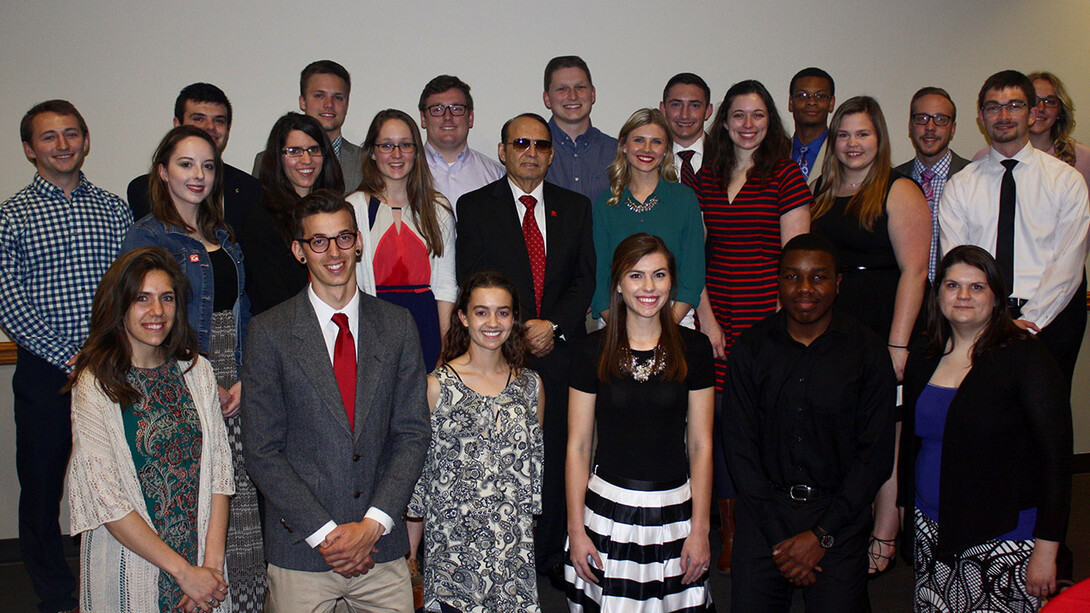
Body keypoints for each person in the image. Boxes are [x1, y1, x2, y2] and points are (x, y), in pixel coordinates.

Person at [241, 190, 429, 612]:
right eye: (318, 241)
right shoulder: (269, 332)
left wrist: (372, 526)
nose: (333, 252)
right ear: (298, 250)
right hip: (302, 552)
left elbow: (412, 434)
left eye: (343, 238)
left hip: (380, 547)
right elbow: (262, 450)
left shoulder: (397, 325)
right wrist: (326, 534)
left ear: (359, 242)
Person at [120, 125, 265, 610]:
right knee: (195, 490)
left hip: (234, 375)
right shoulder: (146, 233)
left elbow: (241, 308)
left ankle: (237, 599)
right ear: (163, 172)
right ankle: (190, 590)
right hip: (181, 373)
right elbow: (140, 316)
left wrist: (244, 375)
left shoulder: (222, 232)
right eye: (185, 164)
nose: (198, 175)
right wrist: (198, 378)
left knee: (238, 499)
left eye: (207, 165)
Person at [0, 99, 132, 613]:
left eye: (72, 133)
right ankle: (55, 595)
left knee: (110, 480)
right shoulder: (12, 217)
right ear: (30, 149)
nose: (63, 144)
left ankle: (105, 582)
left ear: (86, 140)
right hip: (45, 373)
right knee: (42, 485)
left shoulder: (113, 208)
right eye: (50, 137)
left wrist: (107, 355)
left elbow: (130, 288)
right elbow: (10, 301)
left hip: (112, 369)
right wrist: (69, 357)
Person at [455, 112, 594, 586]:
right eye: (520, 142)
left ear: (551, 154)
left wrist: (552, 325)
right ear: (503, 151)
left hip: (557, 355)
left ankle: (552, 555)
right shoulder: (474, 207)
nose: (531, 152)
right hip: (499, 354)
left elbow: (585, 280)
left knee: (556, 455)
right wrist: (515, 330)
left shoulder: (575, 207)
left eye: (540, 144)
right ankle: (499, 550)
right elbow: (472, 280)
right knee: (498, 458)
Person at [724, 233, 897, 612]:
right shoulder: (751, 349)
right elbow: (738, 447)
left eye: (818, 277)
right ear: (779, 282)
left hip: (839, 516)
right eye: (792, 277)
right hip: (763, 514)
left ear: (838, 283)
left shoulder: (868, 352)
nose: (804, 288)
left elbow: (876, 454)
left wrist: (820, 536)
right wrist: (780, 539)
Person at [899, 245, 1072, 612]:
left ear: (996, 298)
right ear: (938, 295)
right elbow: (911, 446)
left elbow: (1055, 461)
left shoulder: (1025, 357)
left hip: (1004, 538)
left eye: (976, 287)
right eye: (952, 285)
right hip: (932, 529)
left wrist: (1047, 548)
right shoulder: (924, 356)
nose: (963, 296)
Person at [67, 247, 234, 613]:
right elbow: (106, 499)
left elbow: (221, 472)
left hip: (205, 571)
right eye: (142, 298)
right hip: (135, 565)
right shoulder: (95, 385)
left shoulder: (197, 371)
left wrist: (210, 568)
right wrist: (182, 571)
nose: (157, 311)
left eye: (167, 298)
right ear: (119, 305)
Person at [692, 80, 812, 572]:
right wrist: (707, 318)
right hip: (717, 318)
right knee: (719, 427)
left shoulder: (785, 176)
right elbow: (692, 257)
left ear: (771, 121)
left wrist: (781, 328)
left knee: (768, 427)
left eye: (757, 115)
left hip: (768, 320)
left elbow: (797, 263)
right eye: (738, 115)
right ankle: (731, 533)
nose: (747, 125)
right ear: (723, 120)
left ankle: (773, 527)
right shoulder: (705, 178)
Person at [811, 95, 930, 577]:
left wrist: (898, 344)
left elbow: (916, 270)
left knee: (886, 432)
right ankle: (845, 523)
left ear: (879, 139)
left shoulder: (898, 189)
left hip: (884, 325)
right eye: (843, 134)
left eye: (862, 134)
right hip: (835, 327)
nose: (852, 143)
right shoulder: (821, 189)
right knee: (844, 430)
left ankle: (885, 527)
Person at [566, 233, 715, 611]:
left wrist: (701, 529)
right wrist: (575, 529)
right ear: (617, 283)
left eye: (659, 275)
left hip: (676, 514)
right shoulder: (589, 350)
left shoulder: (694, 349)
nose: (648, 287)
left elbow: (701, 446)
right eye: (636, 275)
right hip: (606, 515)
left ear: (672, 282)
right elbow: (578, 446)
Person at [940, 70, 1090, 386]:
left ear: (1032, 112)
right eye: (994, 107)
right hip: (980, 324)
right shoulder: (961, 185)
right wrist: (992, 322)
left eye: (1015, 105)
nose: (1004, 115)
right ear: (981, 117)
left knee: (1046, 423)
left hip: (1051, 321)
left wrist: (1030, 321)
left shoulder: (1065, 181)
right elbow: (958, 263)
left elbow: (1069, 262)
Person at [408, 270, 545, 613]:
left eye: (503, 312)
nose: (492, 321)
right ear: (463, 317)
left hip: (512, 557)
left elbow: (533, 477)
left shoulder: (531, 387)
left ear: (514, 319)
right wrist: (410, 557)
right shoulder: (435, 387)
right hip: (454, 558)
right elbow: (420, 481)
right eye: (481, 311)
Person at [346, 109, 456, 369]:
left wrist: (445, 345)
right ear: (372, 152)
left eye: (405, 145)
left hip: (425, 325)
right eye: (387, 146)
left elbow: (445, 285)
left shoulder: (438, 208)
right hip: (371, 324)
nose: (396, 155)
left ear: (416, 152)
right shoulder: (354, 208)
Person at [591, 108, 704, 328]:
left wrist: (665, 328)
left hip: (674, 317)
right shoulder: (606, 204)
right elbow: (599, 276)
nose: (647, 149)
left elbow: (693, 273)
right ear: (624, 145)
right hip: (617, 318)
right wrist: (622, 329)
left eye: (656, 142)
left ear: (666, 150)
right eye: (639, 140)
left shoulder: (684, 199)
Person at [238, 112, 348, 316]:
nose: (306, 160)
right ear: (278, 158)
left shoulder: (338, 210)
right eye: (294, 151)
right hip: (286, 329)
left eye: (314, 149)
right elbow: (272, 297)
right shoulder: (261, 217)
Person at [128, 82, 261, 231]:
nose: (210, 127)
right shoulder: (142, 191)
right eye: (199, 119)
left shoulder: (252, 190)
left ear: (228, 129)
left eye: (219, 121)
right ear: (177, 124)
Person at [893, 87, 971, 282]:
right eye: (922, 118)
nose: (930, 127)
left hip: (956, 297)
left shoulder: (973, 178)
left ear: (953, 129)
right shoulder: (891, 181)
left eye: (941, 119)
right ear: (910, 126)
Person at [253, 60, 363, 193]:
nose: (329, 104)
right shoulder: (268, 160)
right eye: (319, 96)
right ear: (303, 102)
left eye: (338, 97)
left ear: (347, 104)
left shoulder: (366, 161)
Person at [971, 71, 1090, 188]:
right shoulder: (983, 157)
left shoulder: (1083, 158)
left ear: (1060, 111)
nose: (1040, 108)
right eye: (1034, 101)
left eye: (1050, 102)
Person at [418, 75, 505, 216]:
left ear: (470, 118)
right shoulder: (404, 174)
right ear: (423, 119)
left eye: (457, 109)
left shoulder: (496, 176)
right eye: (437, 109)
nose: (447, 117)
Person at [542, 55, 618, 201]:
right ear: (547, 99)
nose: (572, 96)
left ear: (593, 94)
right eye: (562, 89)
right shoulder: (532, 153)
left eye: (580, 87)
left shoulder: (616, 153)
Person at [660, 73, 714, 189]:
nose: (684, 115)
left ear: (708, 111)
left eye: (694, 106)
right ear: (663, 109)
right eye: (676, 105)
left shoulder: (726, 156)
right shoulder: (649, 158)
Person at [788, 68, 836, 181]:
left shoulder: (842, 155)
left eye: (820, 96)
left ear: (831, 103)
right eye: (802, 96)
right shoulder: (774, 155)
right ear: (791, 102)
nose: (811, 102)